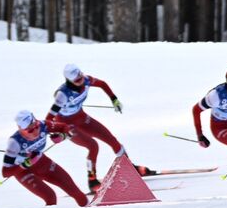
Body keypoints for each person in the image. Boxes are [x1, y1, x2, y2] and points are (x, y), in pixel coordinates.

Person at [46, 62, 152, 192]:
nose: (81, 81)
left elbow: (102, 84)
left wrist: (114, 99)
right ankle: (92, 181)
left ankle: (131, 168)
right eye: (77, 80)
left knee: (111, 139)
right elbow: (49, 118)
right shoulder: (62, 95)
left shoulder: (86, 79)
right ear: (69, 80)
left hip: (81, 117)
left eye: (81, 77)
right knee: (93, 146)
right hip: (66, 125)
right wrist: (57, 133)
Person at [2, 110, 89, 207]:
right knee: (50, 196)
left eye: (36, 126)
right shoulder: (14, 143)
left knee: (73, 190)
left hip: (42, 162)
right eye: (30, 130)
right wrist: (26, 164)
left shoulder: (44, 125)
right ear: (21, 130)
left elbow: (65, 127)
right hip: (23, 172)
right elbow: (5, 172)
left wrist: (62, 136)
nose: (35, 131)